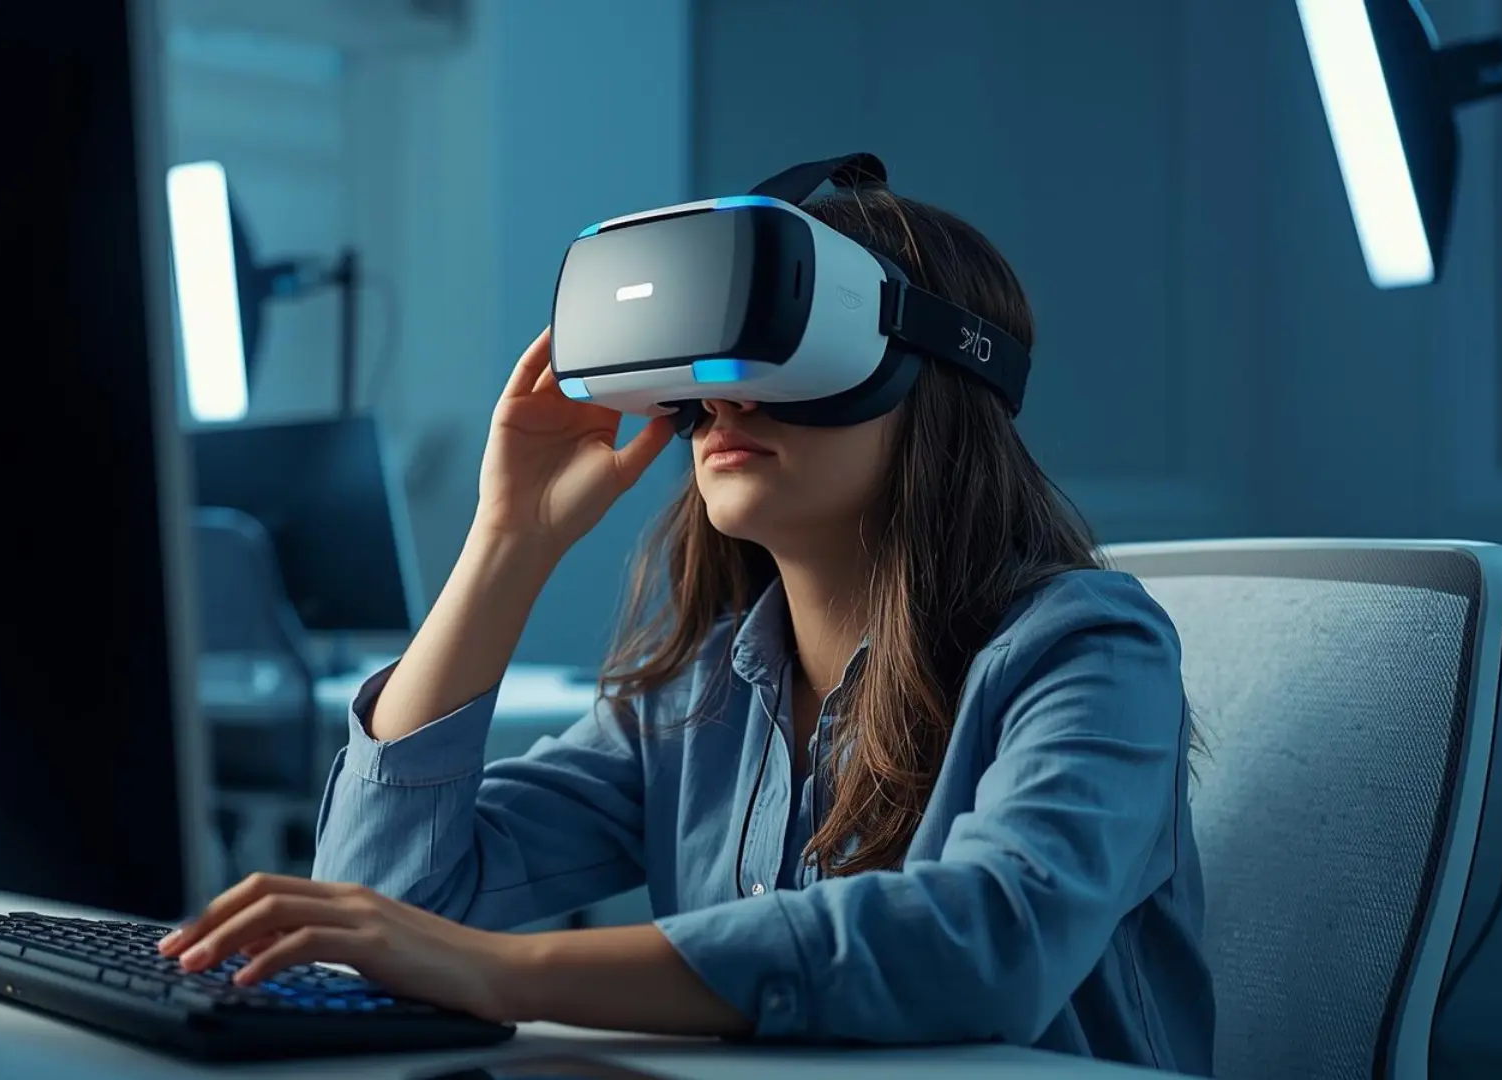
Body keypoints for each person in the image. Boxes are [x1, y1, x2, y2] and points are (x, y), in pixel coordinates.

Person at [157, 184, 1215, 1073]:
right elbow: (378, 905)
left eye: (782, 356)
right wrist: (506, 542)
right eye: (705, 378)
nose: (725, 406)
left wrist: (505, 974)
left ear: (932, 377)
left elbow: (991, 943)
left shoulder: (1085, 649)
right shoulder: (693, 703)